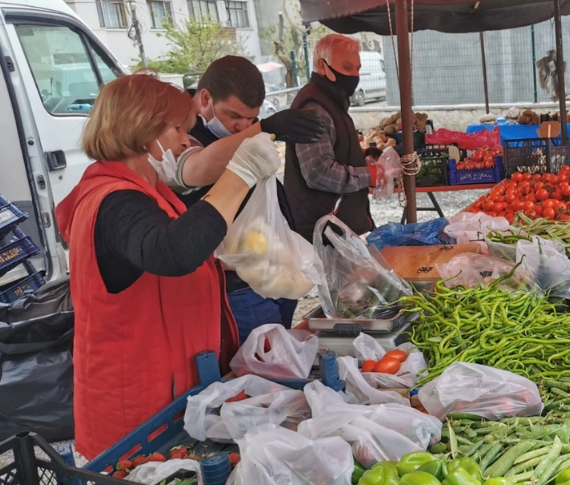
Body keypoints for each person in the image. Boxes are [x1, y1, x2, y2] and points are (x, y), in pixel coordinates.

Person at [55, 74, 280, 458]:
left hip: (173, 394)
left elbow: (175, 258)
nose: (184, 140)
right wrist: (239, 175)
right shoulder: (114, 201)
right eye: (177, 128)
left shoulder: (150, 191)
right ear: (142, 128)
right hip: (137, 417)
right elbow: (172, 252)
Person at [168, 56, 325, 344]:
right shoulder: (183, 134)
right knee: (261, 364)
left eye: (251, 118)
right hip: (236, 285)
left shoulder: (235, 128)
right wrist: (263, 129)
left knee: (280, 356)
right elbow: (198, 168)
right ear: (205, 98)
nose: (243, 127)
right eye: (234, 116)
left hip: (271, 270)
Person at [284, 34, 374, 241]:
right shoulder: (314, 108)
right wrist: (369, 175)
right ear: (322, 66)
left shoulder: (332, 101)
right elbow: (318, 172)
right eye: (347, 67)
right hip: (321, 231)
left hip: (337, 227)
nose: (354, 75)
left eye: (357, 68)